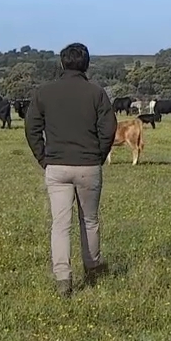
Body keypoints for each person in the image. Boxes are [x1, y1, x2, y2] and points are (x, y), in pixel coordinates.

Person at [24, 42, 118, 298]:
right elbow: (109, 129)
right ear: (86, 64)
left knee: (60, 224)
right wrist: (97, 154)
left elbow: (31, 128)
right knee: (89, 220)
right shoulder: (96, 92)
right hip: (88, 165)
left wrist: (44, 158)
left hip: (56, 166)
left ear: (62, 63)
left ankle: (63, 278)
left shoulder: (44, 92)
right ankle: (93, 268)